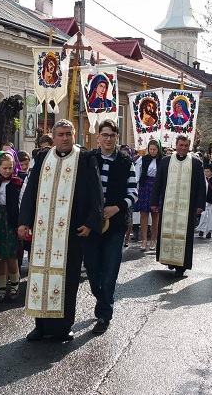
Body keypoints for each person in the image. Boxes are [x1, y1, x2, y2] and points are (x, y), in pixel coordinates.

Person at [17, 119, 103, 341]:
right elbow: (31, 191)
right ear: (53, 137)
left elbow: (96, 193)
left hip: (71, 231)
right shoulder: (42, 157)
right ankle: (40, 326)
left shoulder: (85, 158)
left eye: (69, 134)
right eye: (61, 134)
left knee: (68, 277)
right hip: (43, 232)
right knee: (39, 274)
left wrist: (92, 222)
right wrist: (24, 221)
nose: (65, 138)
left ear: (74, 136)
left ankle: (63, 327)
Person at [83, 120, 138, 335]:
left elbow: (133, 193)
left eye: (111, 135)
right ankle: (102, 299)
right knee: (93, 269)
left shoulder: (126, 162)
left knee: (110, 270)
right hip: (91, 226)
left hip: (115, 225)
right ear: (98, 137)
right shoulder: (89, 160)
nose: (108, 139)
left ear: (117, 137)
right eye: (104, 135)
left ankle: (104, 314)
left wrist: (116, 208)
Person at [150, 135, 206, 277]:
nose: (183, 148)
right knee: (167, 231)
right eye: (181, 145)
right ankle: (169, 259)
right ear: (176, 145)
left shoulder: (196, 163)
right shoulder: (166, 161)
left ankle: (181, 265)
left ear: (189, 146)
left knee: (185, 235)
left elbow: (201, 186)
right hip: (169, 205)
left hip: (187, 207)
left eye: (186, 145)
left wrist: (200, 204)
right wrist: (154, 202)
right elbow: (158, 183)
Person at [0, 151, 24, 302]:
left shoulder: (17, 183)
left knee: (11, 255)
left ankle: (15, 286)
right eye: (4, 168)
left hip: (10, 220)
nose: (8, 171)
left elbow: (20, 204)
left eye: (10, 167)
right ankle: (1, 288)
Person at [133, 139, 163, 251]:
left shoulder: (163, 160)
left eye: (155, 149)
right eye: (151, 149)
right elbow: (138, 174)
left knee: (155, 215)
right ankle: (144, 240)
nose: (153, 151)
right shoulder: (143, 159)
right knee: (143, 214)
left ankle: (153, 240)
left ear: (158, 149)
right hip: (145, 187)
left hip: (157, 188)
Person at [196, 164, 212, 239]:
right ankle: (201, 229)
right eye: (205, 171)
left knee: (211, 217)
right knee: (203, 216)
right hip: (204, 201)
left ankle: (209, 231)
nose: (206, 173)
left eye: (207, 171)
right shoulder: (203, 180)